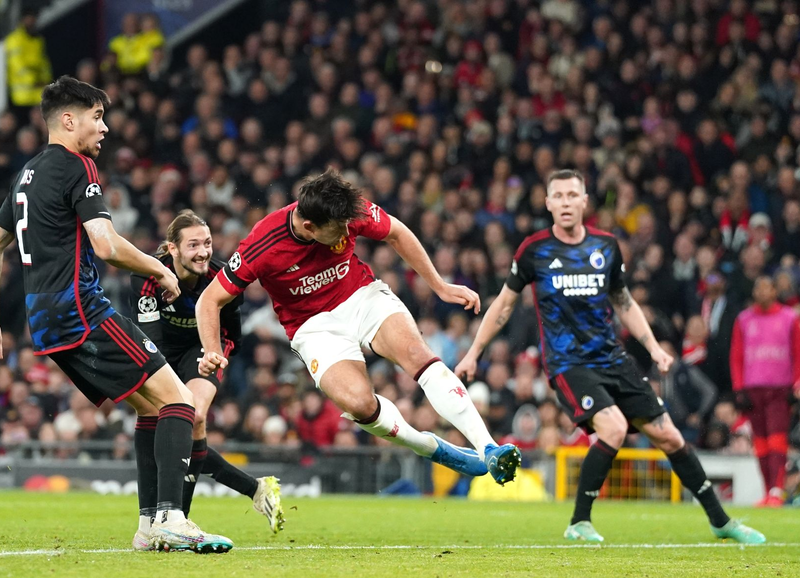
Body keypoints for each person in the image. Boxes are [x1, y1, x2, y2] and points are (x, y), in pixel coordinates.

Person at [455, 169, 765, 544]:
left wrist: (653, 347)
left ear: (585, 201)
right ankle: (579, 522)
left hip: (613, 360)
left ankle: (721, 521)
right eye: (559, 196)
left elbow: (624, 302)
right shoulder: (534, 250)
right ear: (549, 203)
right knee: (614, 428)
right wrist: (474, 352)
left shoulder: (606, 246)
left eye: (573, 195)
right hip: (569, 365)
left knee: (670, 436)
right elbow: (503, 305)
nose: (566, 203)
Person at [0, 76, 230, 553]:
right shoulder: (76, 166)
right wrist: (161, 271)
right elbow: (106, 245)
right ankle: (171, 518)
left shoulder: (27, 174)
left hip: (44, 322)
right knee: (182, 402)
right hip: (81, 309)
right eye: (97, 117)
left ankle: (149, 526)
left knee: (151, 408)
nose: (104, 128)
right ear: (69, 120)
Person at [195, 169, 521, 484]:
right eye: (338, 231)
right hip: (312, 327)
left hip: (361, 296)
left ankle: (488, 447)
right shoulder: (263, 244)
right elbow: (209, 300)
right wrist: (211, 349)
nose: (346, 233)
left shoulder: (345, 210)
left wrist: (439, 285)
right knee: (359, 405)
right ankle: (429, 447)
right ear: (309, 226)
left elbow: (396, 231)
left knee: (416, 353)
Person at [131, 209, 284, 532]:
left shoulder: (221, 277)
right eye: (193, 245)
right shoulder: (147, 277)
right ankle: (254, 489)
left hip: (205, 345)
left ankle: (174, 521)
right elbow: (151, 340)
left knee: (194, 415)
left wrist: (216, 355)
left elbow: (232, 330)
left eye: (208, 243)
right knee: (168, 427)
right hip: (162, 350)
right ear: (172, 249)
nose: (203, 252)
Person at [730, 275, 799, 506]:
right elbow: (736, 355)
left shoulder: (790, 318)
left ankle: (777, 491)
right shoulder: (744, 319)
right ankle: (767, 490)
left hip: (780, 388)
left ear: (774, 291)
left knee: (777, 440)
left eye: (766, 288)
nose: (761, 292)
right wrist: (739, 388)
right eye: (758, 288)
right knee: (760, 442)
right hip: (753, 389)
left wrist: (796, 384)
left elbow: (798, 353)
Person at [5, 9, 52, 117]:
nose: (31, 22)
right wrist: (34, 81)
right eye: (29, 19)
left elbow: (44, 64)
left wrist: (46, 81)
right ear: (22, 20)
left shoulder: (38, 40)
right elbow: (17, 66)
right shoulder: (14, 40)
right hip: (20, 98)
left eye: (33, 19)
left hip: (38, 96)